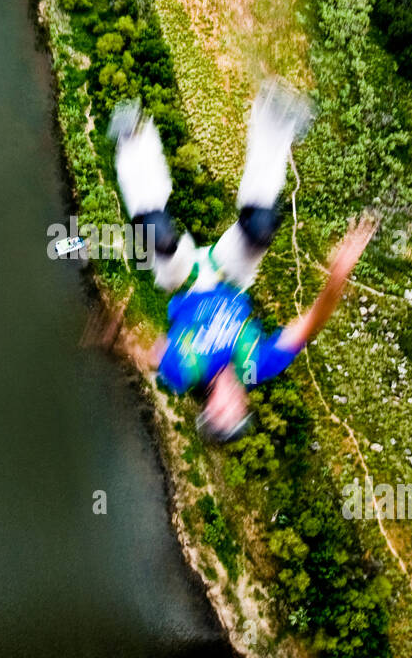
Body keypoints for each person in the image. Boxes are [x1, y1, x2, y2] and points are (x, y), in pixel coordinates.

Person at [106, 78, 377, 442]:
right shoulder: (255, 365)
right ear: (244, 404)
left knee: (160, 235)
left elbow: (149, 351)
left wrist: (118, 339)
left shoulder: (186, 369)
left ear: (208, 407)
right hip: (229, 274)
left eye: (220, 411)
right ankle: (274, 119)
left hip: (184, 279)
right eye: (236, 410)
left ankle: (131, 142)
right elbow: (309, 325)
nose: (230, 402)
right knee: (261, 227)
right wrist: (337, 277)